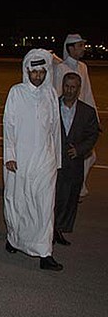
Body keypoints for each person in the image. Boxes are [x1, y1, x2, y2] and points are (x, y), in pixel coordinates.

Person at [3, 49, 63, 271]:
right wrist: (10, 155)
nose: (38, 76)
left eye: (41, 72)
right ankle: (14, 239)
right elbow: (8, 125)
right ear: (27, 71)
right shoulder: (16, 93)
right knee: (19, 202)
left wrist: (56, 160)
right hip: (21, 159)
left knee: (45, 205)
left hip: (45, 160)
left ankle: (45, 252)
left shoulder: (50, 94)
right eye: (34, 72)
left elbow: (55, 129)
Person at [54, 72, 99, 246]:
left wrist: (80, 149)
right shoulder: (51, 106)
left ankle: (59, 229)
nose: (69, 90)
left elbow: (93, 134)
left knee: (70, 198)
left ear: (79, 89)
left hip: (74, 163)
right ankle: (49, 230)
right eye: (66, 86)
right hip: (54, 161)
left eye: (73, 87)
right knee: (53, 197)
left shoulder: (87, 112)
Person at [53, 34, 100, 199]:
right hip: (65, 118)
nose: (83, 49)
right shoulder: (61, 69)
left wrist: (94, 119)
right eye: (80, 46)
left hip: (80, 118)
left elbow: (87, 94)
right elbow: (58, 94)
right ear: (71, 48)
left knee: (88, 155)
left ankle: (77, 187)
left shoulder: (83, 68)